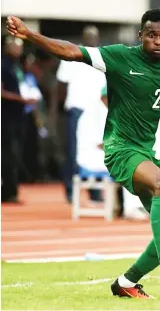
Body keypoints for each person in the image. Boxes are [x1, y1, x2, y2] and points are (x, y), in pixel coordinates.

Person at [6, 9, 160, 298]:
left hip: (158, 153)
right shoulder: (119, 56)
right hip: (123, 148)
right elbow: (72, 52)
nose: (158, 41)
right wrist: (30, 35)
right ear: (141, 36)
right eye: (152, 35)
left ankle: (127, 282)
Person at [54, 25, 106, 203]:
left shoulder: (102, 56)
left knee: (98, 150)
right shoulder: (70, 55)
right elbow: (61, 86)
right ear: (83, 37)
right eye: (88, 35)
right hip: (76, 109)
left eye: (94, 36)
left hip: (97, 112)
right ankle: (70, 190)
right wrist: (60, 110)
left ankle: (95, 191)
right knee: (73, 151)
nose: (91, 39)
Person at [1, 36, 37, 203]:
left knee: (15, 154)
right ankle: (7, 191)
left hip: (17, 116)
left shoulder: (17, 66)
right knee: (8, 154)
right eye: (16, 46)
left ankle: (11, 190)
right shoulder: (3, 65)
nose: (19, 50)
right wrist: (21, 99)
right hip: (6, 116)